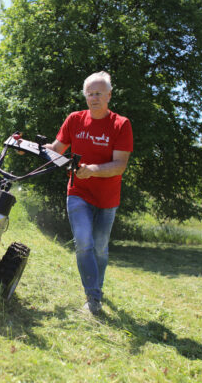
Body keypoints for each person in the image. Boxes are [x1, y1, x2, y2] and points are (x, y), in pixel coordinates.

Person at [44, 71, 133, 315]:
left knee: (100, 248)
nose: (94, 98)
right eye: (90, 93)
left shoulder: (120, 124)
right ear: (85, 96)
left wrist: (92, 170)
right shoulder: (74, 120)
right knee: (84, 242)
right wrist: (29, 147)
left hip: (107, 198)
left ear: (109, 96)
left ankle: (96, 288)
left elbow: (120, 165)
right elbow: (56, 149)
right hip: (78, 192)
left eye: (99, 93)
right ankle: (93, 298)